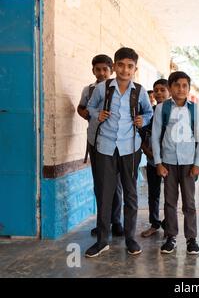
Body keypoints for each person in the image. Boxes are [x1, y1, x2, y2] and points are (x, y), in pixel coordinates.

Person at [85, 47, 152, 257]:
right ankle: (102, 240)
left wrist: (144, 119)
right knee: (105, 194)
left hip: (130, 148)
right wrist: (98, 114)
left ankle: (130, 239)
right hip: (105, 147)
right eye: (121, 65)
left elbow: (149, 112)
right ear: (114, 66)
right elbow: (89, 107)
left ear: (135, 69)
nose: (125, 70)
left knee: (131, 195)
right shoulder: (102, 88)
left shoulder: (139, 91)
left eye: (130, 66)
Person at [152, 71, 199, 255]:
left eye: (184, 85)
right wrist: (158, 162)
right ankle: (170, 237)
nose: (181, 89)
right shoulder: (162, 108)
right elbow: (155, 137)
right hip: (168, 163)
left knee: (189, 202)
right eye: (176, 85)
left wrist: (197, 163)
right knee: (170, 202)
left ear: (188, 88)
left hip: (189, 163)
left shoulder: (195, 109)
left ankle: (191, 238)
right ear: (170, 87)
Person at [77, 54, 124, 238]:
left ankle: (117, 221)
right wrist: (91, 115)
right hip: (95, 141)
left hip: (116, 143)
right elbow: (81, 108)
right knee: (100, 185)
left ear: (111, 70)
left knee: (116, 185)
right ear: (93, 71)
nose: (102, 73)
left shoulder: (119, 88)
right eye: (98, 69)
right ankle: (101, 223)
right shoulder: (88, 90)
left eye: (105, 69)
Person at [140, 79, 170, 238]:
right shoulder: (149, 114)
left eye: (162, 90)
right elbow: (141, 137)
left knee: (171, 195)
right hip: (153, 161)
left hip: (171, 161)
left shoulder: (175, 112)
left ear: (169, 92)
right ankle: (154, 223)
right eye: (155, 90)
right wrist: (148, 152)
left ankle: (168, 224)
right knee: (154, 193)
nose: (158, 93)